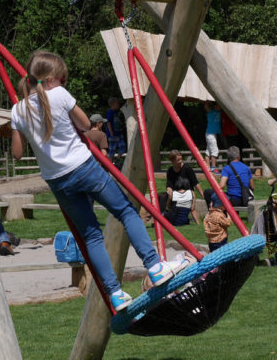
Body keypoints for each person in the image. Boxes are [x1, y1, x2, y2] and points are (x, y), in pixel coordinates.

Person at [10, 51, 190, 312]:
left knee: (91, 235)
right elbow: (85, 125)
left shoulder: (18, 110)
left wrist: (17, 125)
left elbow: (16, 154)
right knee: (126, 211)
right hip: (84, 168)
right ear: (50, 80)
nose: (64, 82)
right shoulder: (59, 95)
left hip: (58, 182)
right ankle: (154, 265)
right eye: (62, 78)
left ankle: (115, 293)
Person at [162, 150, 204, 225]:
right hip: (176, 194)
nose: (181, 161)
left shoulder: (187, 169)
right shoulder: (170, 171)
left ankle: (198, 224)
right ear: (172, 161)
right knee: (164, 197)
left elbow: (195, 183)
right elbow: (169, 183)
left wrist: (202, 195)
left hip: (187, 192)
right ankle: (165, 215)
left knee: (192, 208)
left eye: (181, 159)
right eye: (178, 160)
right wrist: (169, 188)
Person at [105, 96, 126, 166]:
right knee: (112, 150)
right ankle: (110, 164)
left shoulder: (116, 112)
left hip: (118, 133)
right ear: (113, 104)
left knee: (123, 146)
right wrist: (111, 133)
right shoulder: (110, 112)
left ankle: (117, 159)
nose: (119, 105)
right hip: (112, 134)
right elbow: (108, 123)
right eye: (117, 104)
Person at [204, 101, 222, 172]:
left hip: (213, 133)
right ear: (214, 106)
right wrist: (209, 102)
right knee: (215, 150)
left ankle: (207, 167)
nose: (218, 107)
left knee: (208, 151)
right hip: (210, 133)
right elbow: (206, 106)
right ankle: (213, 167)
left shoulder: (220, 112)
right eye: (217, 106)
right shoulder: (210, 111)